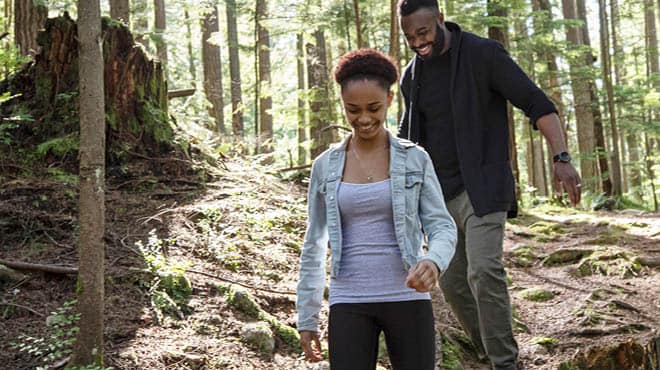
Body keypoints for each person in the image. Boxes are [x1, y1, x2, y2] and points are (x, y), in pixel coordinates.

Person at [396, 1, 582, 369]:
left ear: (440, 20)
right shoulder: (411, 76)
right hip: (438, 197)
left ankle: (504, 363)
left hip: (484, 188)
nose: (418, 42)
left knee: (483, 270)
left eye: (424, 32)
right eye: (409, 37)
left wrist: (561, 158)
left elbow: (537, 103)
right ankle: (488, 352)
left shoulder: (484, 55)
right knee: (450, 283)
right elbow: (407, 139)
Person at [296, 48, 457, 370]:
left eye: (374, 108)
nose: (364, 118)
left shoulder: (415, 159)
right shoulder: (324, 167)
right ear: (342, 103)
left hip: (407, 297)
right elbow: (313, 244)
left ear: (391, 100)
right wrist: (307, 315)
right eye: (352, 110)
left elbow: (442, 226)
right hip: (349, 300)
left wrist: (434, 261)